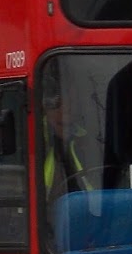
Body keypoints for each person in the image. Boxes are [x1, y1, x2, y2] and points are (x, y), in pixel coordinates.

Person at [41, 70, 97, 200]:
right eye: (57, 103)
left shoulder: (91, 142)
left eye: (72, 102)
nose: (66, 110)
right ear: (44, 106)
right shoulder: (32, 141)